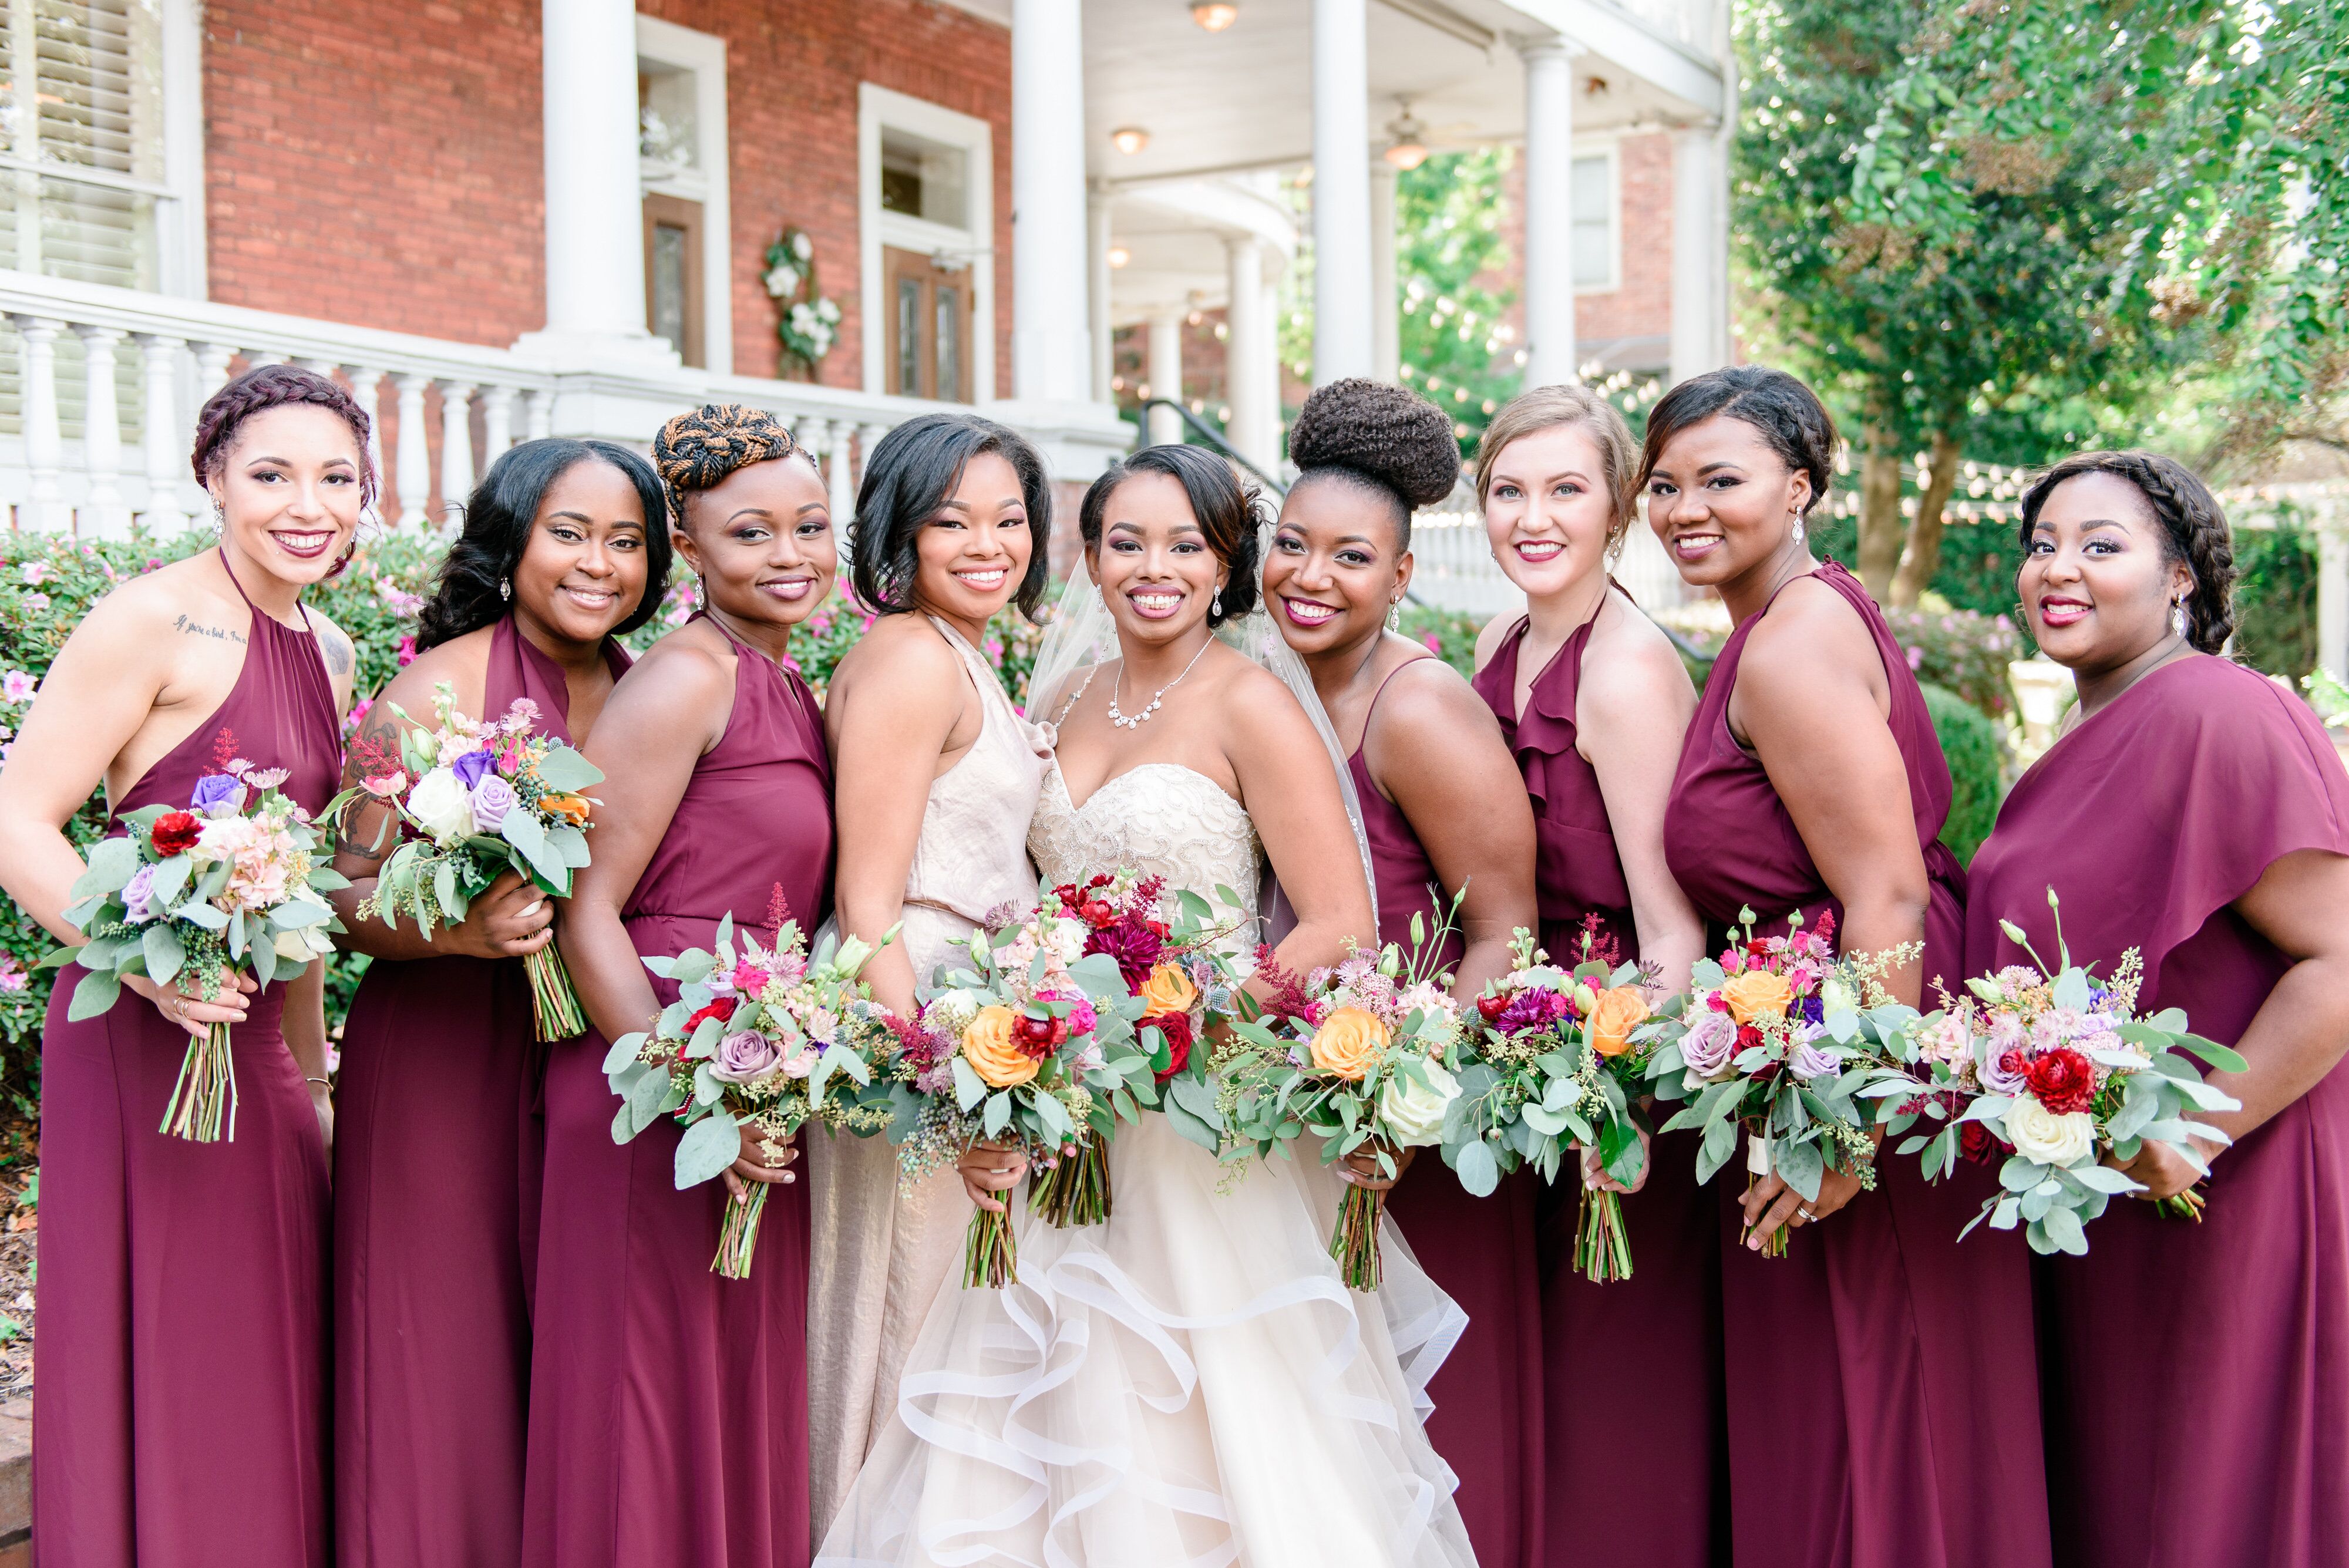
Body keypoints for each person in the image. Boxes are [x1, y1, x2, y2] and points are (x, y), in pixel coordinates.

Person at [817, 442, 1475, 1567]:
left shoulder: (1252, 703)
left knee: (1200, 1415)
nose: (1153, 567)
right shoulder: (1058, 694)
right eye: (1126, 542)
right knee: (1047, 1408)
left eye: (1187, 544)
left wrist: (1191, 1015)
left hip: (1191, 1109)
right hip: (1064, 1097)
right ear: (1089, 557)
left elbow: (1335, 924)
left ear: (1227, 565)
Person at [1647, 365, 2050, 1568]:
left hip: (1857, 1062)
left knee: (1867, 1405)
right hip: (1830, 1042)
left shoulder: (1788, 649)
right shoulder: (1796, 619)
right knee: (1856, 1406)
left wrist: (1843, 1129)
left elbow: (1879, 892)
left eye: (1720, 479)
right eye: (1663, 485)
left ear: (1800, 484)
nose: (1683, 509)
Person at [0, 364, 365, 1565]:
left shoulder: (337, 652)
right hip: (139, 1026)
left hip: (253, 1038)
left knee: (265, 1333)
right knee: (175, 1333)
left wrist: (314, 1087)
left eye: (335, 478)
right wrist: (143, 968)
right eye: (271, 475)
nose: (305, 504)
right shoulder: (151, 619)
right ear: (213, 480)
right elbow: (18, 821)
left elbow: (297, 899)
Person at [1965, 452, 2349, 1568]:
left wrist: (2200, 1126)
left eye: (2101, 546)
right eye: (2042, 545)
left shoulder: (2219, 713)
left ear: (2180, 577)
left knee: (2201, 1500)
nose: (2057, 570)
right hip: (2104, 1207)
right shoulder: (2085, 731)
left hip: (2224, 1193)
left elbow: (2339, 954)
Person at [329, 438, 668, 1566]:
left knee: (568, 1352)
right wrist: (457, 928)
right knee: (444, 1355)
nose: (598, 564)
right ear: (512, 537)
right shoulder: (432, 688)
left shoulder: (645, 690)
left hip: (581, 1061)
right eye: (569, 534)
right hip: (439, 1059)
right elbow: (339, 894)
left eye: (626, 542)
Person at [524, 405, 836, 1568]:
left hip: (754, 1081)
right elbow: (584, 909)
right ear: (689, 552)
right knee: (642, 1411)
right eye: (751, 533)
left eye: (809, 526)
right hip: (651, 1079)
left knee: (727, 1395)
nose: (790, 554)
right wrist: (689, 1092)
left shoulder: (787, 680)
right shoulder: (684, 682)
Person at [1261, 380, 1544, 1567]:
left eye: (1349, 558)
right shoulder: (1257, 681)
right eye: (1288, 546)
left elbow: (1503, 932)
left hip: (1395, 1133)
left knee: (1414, 1445)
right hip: (1271, 1120)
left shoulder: (1417, 707)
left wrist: (1407, 1105)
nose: (1309, 578)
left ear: (1400, 578)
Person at [1467, 383, 1721, 1567]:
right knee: (1530, 1376)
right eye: (1507, 490)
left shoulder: (1623, 672)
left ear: (1616, 507)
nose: (1533, 516)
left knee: (1614, 1383)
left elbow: (1674, 932)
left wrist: (1603, 1089)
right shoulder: (1494, 647)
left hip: (1612, 1077)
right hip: (1511, 1055)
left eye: (1564, 490)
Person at [807, 413, 1056, 1534]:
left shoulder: (961, 651)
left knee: (957, 1330)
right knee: (913, 1323)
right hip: (912, 1016)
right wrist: (942, 1084)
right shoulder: (913, 656)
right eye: (951, 519)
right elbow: (867, 904)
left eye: (1009, 518)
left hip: (964, 1015)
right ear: (899, 533)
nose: (987, 542)